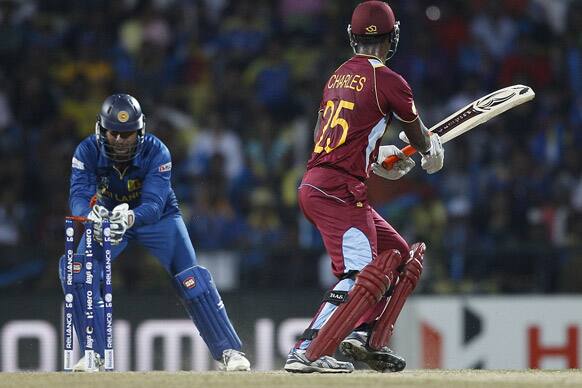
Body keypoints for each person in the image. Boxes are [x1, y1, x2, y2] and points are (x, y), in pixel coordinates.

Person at [283, 1, 445, 374]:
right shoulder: (389, 80)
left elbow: (330, 136)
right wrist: (430, 151)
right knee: (358, 274)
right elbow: (419, 135)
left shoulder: (338, 75)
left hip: (323, 182)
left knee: (402, 257)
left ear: (352, 37)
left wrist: (375, 156)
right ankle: (306, 350)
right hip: (339, 190)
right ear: (394, 37)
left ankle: (366, 337)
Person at [58, 93, 251, 372]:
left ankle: (229, 351)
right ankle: (94, 355)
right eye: (115, 133)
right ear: (102, 129)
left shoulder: (157, 151)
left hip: (156, 219)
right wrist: (90, 217)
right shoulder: (86, 151)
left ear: (141, 130)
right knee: (77, 272)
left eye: (129, 134)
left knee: (191, 279)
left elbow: (154, 203)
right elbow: (78, 195)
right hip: (108, 219)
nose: (121, 141)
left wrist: (131, 218)